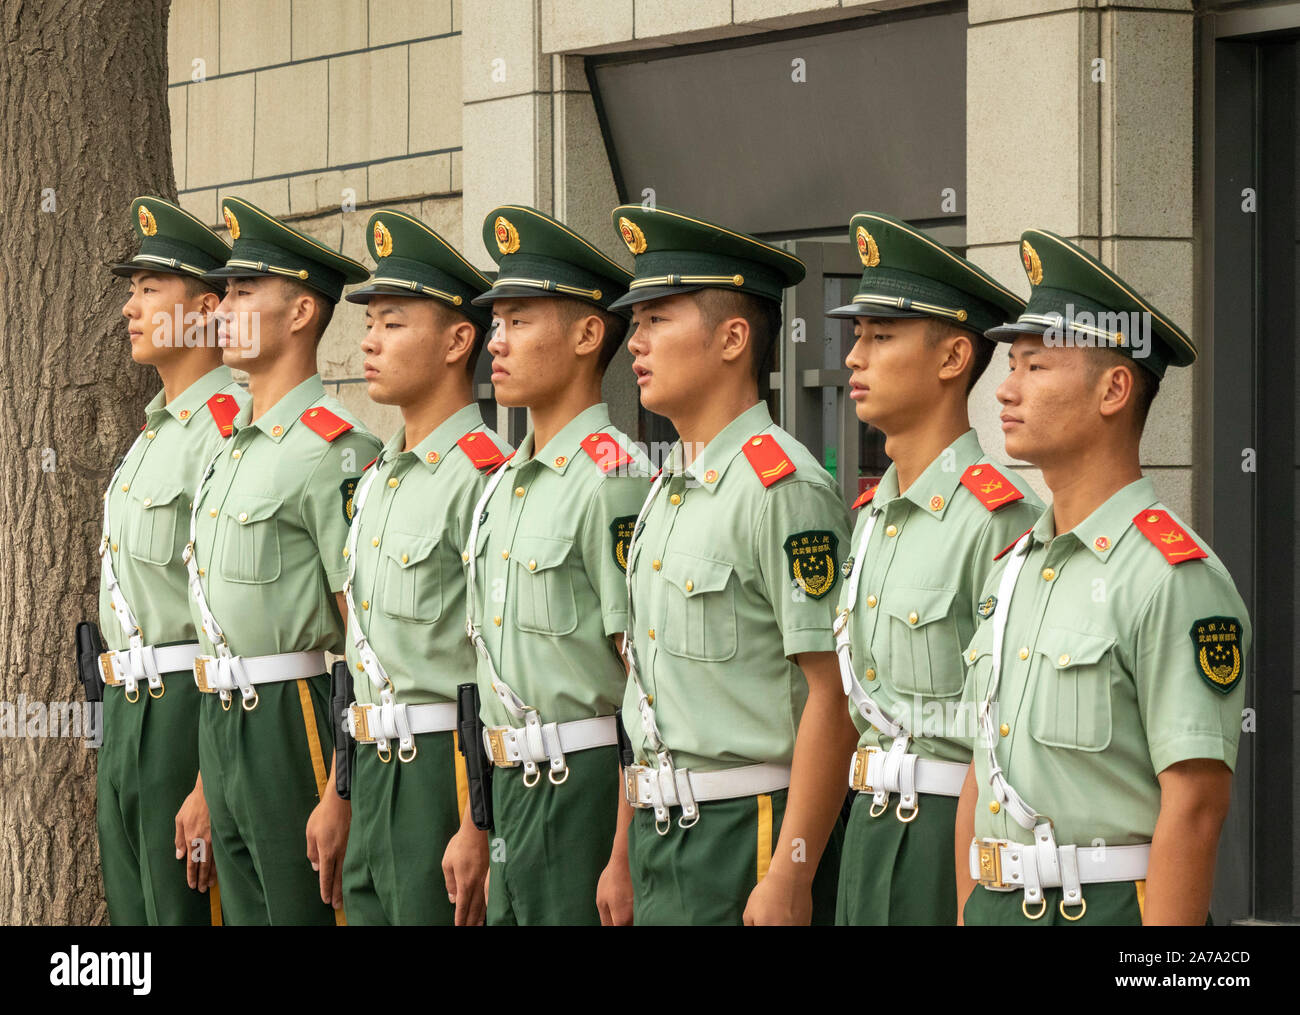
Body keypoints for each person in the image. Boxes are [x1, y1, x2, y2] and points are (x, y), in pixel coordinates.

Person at [956, 229, 1251, 925]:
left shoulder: (1172, 577)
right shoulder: (1016, 565)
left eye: (1035, 366)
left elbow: (1197, 806)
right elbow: (982, 758)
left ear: (1115, 388)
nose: (1005, 388)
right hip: (999, 901)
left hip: (1105, 907)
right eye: (1011, 366)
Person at [605, 203, 855, 925]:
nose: (636, 343)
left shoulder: (784, 488)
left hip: (748, 828)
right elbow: (644, 694)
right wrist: (622, 852)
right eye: (637, 322)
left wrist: (793, 869)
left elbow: (831, 697)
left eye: (658, 320)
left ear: (732, 338)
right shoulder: (666, 492)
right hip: (661, 831)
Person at [825, 212, 1042, 924]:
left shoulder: (997, 519)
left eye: (880, 337)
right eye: (856, 336)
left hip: (947, 829)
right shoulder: (872, 513)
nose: (854, 358)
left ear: (953, 358)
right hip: (868, 824)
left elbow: (1006, 731)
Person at [443, 205, 650, 925]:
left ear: (590, 334)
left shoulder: (615, 476)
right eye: (495, 323)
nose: (496, 342)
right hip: (509, 785)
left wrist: (624, 852)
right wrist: (476, 818)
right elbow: (483, 674)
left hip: (584, 786)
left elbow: (644, 684)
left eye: (521, 320)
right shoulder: (501, 485)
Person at [185, 197, 381, 924]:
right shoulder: (228, 447)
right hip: (222, 718)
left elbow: (362, 632)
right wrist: (207, 778)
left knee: (302, 912)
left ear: (301, 314)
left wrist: (343, 784)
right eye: (224, 291)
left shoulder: (335, 449)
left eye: (242, 292)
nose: (223, 308)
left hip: (290, 718)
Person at [336, 210, 509, 925]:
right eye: (370, 322)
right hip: (372, 765)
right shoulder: (378, 476)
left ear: (458, 340)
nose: (369, 341)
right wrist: (337, 790)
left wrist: (477, 819)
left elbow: (497, 659)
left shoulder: (482, 475)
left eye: (393, 322)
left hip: (444, 765)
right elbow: (357, 645)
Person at [97, 197, 247, 924]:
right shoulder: (150, 436)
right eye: (132, 289)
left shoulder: (228, 431)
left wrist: (209, 779)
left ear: (207, 308)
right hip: (127, 713)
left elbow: (236, 621)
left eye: (149, 289)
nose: (129, 306)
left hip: (192, 709)